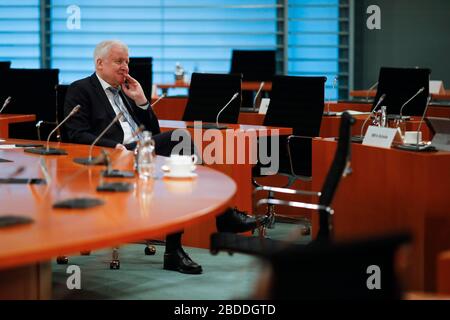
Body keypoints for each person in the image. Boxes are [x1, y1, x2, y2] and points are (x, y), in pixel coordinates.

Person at [64, 40, 268, 275]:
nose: (125, 68)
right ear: (100, 63)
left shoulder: (126, 92)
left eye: (127, 62)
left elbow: (154, 133)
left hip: (142, 151)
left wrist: (141, 101)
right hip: (112, 156)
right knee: (179, 141)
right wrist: (116, 146)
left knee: (180, 169)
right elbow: (76, 135)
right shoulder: (81, 89)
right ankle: (219, 218)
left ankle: (183, 245)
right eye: (119, 61)